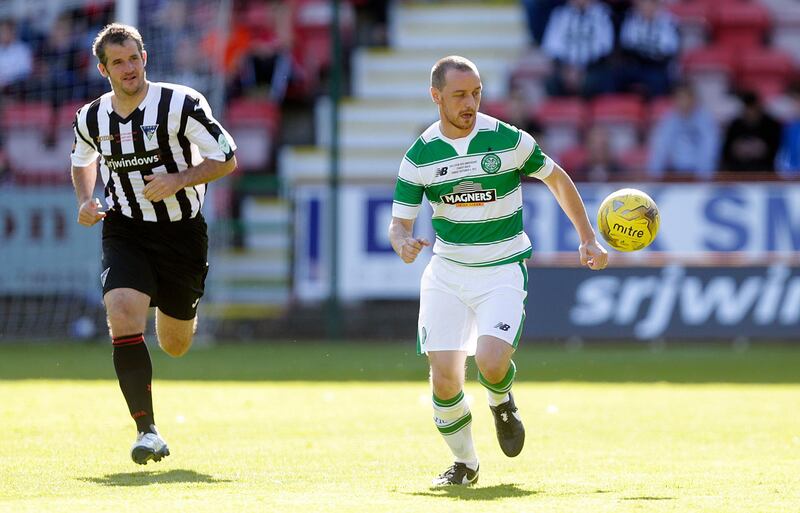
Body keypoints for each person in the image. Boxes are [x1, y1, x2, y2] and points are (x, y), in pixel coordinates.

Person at [388, 56, 608, 486]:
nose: (470, 103)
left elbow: (557, 178)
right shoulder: (419, 156)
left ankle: (502, 400)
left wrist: (587, 237)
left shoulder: (507, 140)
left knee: (490, 362)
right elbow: (400, 223)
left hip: (502, 268)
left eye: (476, 93)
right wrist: (402, 243)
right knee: (445, 379)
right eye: (459, 95)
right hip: (447, 273)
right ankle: (465, 465)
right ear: (436, 97)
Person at [70, 23, 237, 465]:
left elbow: (227, 157)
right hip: (125, 227)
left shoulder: (182, 103)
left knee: (175, 343)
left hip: (182, 232)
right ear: (103, 69)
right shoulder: (91, 117)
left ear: (145, 58)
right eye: (118, 62)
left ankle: (179, 306)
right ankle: (147, 430)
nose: (129, 68)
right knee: (121, 311)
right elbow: (81, 159)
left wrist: (179, 179)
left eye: (134, 58)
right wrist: (86, 200)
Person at [541, 0, 615, 97]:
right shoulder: (559, 14)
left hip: (593, 68)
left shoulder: (603, 13)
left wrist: (582, 70)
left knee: (596, 81)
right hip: (565, 68)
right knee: (550, 82)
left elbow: (606, 46)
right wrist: (567, 69)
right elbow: (551, 46)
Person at [647, 82, 719, 180]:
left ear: (693, 99)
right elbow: (661, 146)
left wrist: (704, 175)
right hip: (675, 171)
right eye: (679, 98)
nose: (682, 102)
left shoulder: (706, 119)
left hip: (699, 173)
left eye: (685, 98)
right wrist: (654, 174)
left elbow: (709, 147)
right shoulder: (669, 119)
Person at [616, 0, 679, 99]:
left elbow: (668, 50)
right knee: (617, 75)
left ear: (656, 6)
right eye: (643, 4)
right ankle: (621, 107)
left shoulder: (668, 22)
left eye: (649, 4)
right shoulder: (632, 19)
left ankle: (656, 108)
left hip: (656, 67)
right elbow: (627, 44)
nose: (646, 8)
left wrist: (645, 53)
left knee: (658, 80)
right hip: (636, 64)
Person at [721, 90, 782, 173]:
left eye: (752, 108)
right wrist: (737, 149)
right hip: (738, 172)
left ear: (758, 107)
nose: (750, 112)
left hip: (765, 172)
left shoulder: (772, 125)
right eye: (747, 108)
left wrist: (762, 149)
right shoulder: (735, 125)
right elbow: (726, 152)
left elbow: (779, 153)